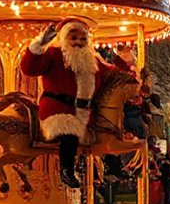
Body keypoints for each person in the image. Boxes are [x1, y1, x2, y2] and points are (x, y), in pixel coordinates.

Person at [20, 18, 117, 189]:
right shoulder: (54, 54)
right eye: (73, 38)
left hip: (85, 112)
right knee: (69, 132)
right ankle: (66, 170)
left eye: (83, 39)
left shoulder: (93, 61)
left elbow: (113, 75)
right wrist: (40, 45)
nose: (79, 42)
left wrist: (127, 61)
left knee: (109, 131)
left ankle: (112, 169)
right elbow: (30, 69)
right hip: (58, 108)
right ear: (64, 39)